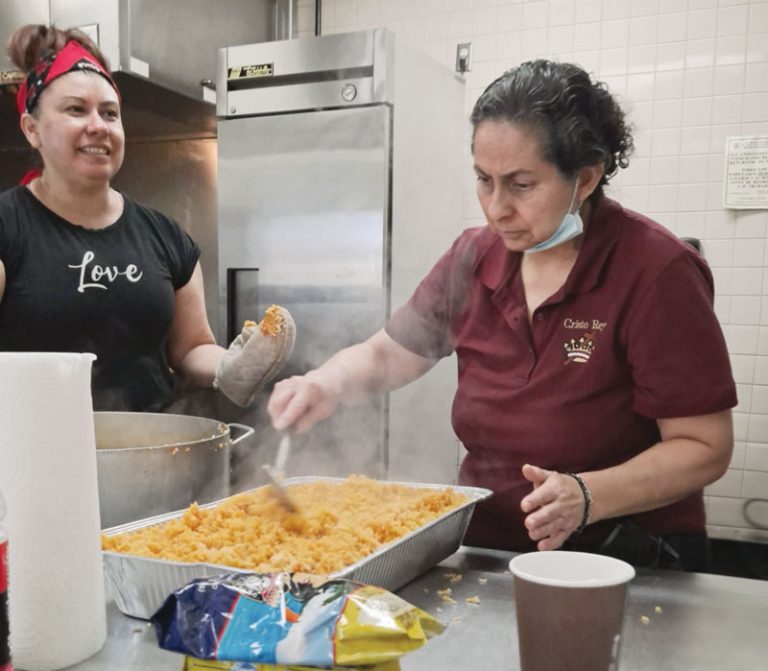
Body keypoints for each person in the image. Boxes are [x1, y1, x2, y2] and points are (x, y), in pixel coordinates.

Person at [268, 60, 737, 571]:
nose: (495, 209)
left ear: (585, 176)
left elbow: (704, 446)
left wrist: (588, 495)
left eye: (521, 185)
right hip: (489, 550)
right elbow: (387, 355)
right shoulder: (473, 258)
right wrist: (325, 383)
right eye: (483, 180)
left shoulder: (655, 271)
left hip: (625, 557)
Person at [0, 25, 294, 412]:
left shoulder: (165, 236)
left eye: (110, 113)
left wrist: (228, 365)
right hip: (35, 459)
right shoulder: (9, 226)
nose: (98, 126)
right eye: (76, 109)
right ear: (31, 129)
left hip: (151, 456)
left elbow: (191, 348)